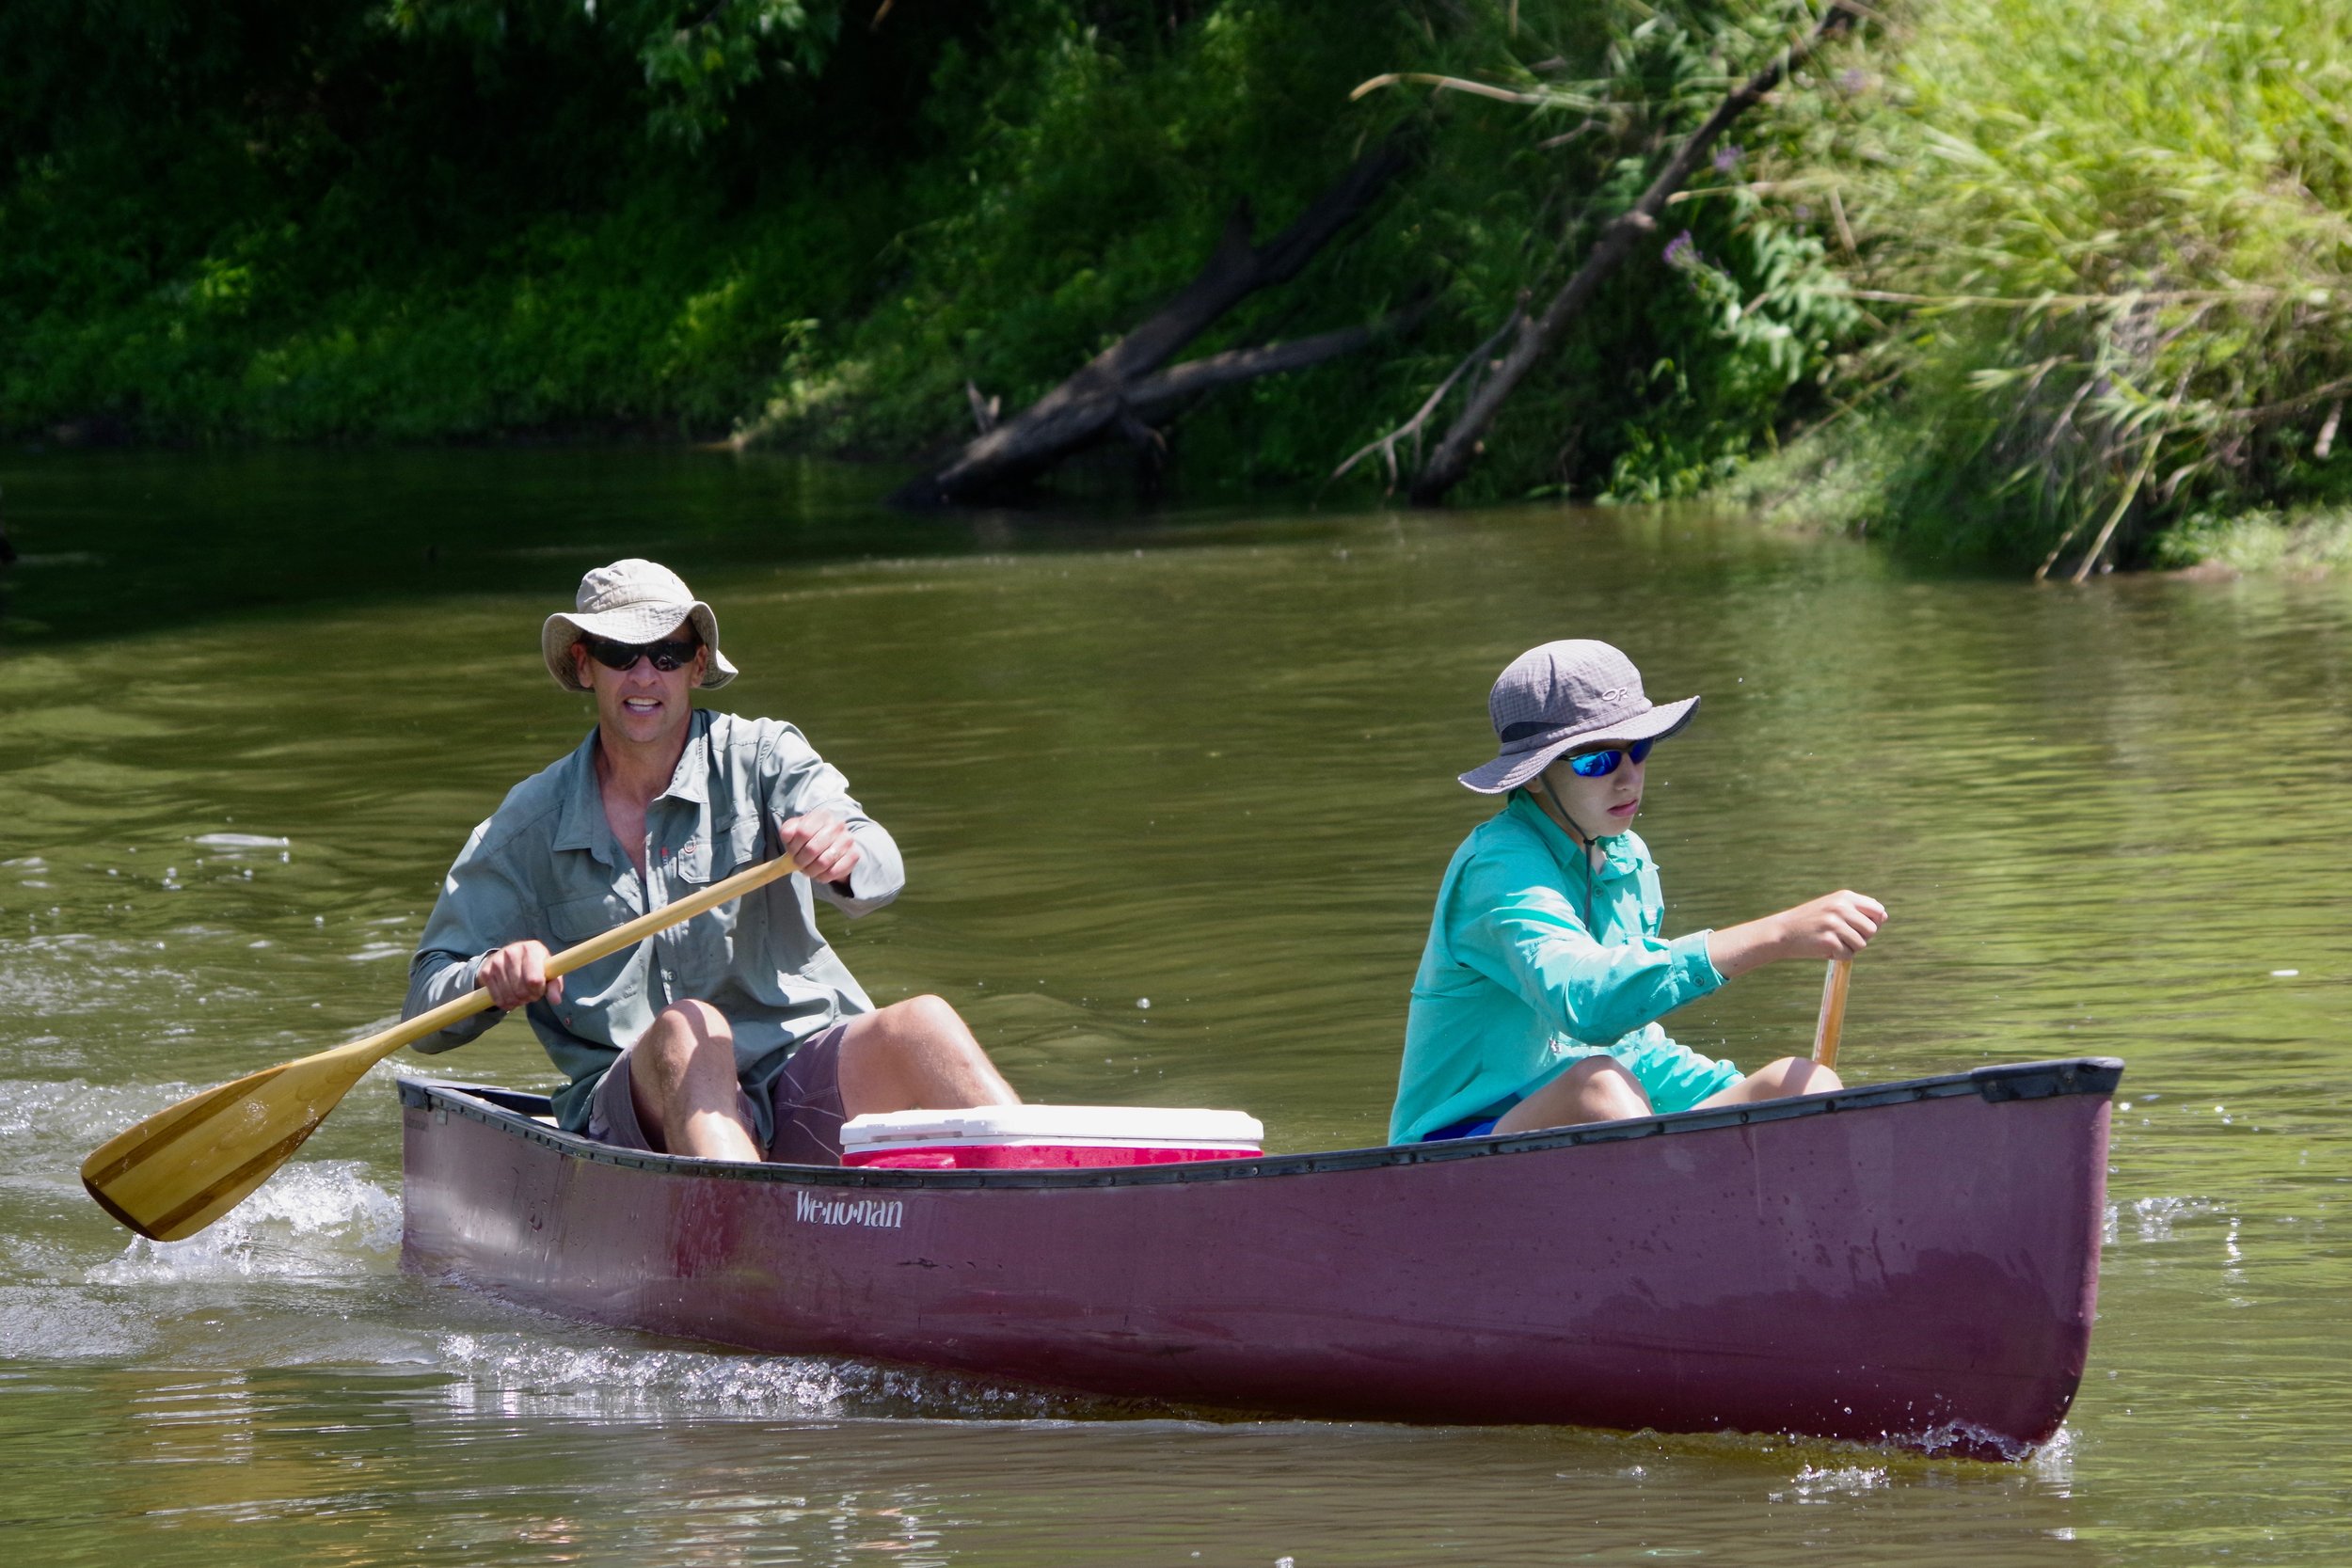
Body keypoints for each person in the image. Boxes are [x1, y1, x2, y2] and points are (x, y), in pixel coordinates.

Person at [404, 558, 1018, 1164]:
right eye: (621, 652)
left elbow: (881, 863)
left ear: (697, 664)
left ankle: (1048, 1188)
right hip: (635, 1118)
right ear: (583, 664)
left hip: (795, 1078)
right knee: (689, 1028)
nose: (645, 674)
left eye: (667, 653)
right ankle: (753, 1244)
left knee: (924, 1023)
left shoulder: (765, 756)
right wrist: (489, 976)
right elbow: (424, 1009)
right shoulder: (526, 823)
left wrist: (841, 853)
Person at [1390, 640, 1886, 1145]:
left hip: (1606, 1131)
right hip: (1448, 1152)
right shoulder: (1497, 868)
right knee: (1597, 1088)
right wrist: (1776, 935)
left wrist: (1751, 1106)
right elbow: (1588, 1009)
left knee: (1801, 1085)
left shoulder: (1626, 856)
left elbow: (1632, 1043)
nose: (1628, 778)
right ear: (1536, 775)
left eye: (1639, 749)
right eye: (1597, 761)